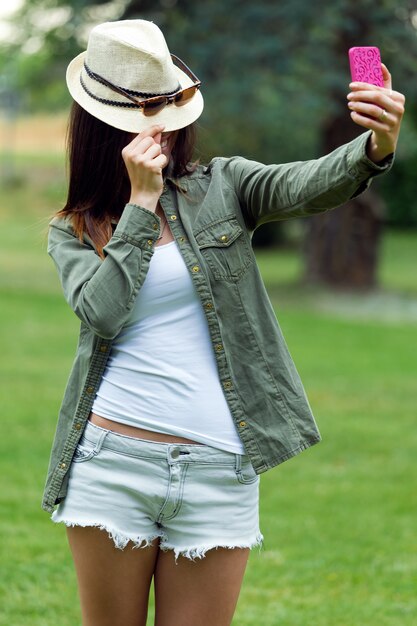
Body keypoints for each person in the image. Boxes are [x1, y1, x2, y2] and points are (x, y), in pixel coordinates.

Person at [42, 18, 404, 626]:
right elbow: (102, 312)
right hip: (112, 465)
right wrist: (139, 204)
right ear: (102, 127)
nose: (158, 128)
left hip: (220, 467)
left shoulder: (225, 185)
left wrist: (375, 147)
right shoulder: (74, 228)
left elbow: (309, 185)